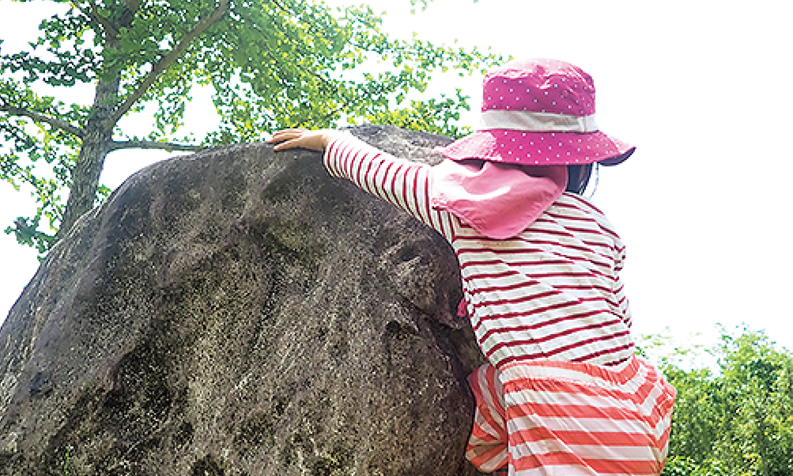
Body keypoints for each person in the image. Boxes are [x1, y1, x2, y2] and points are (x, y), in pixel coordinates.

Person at [269, 58, 676, 476]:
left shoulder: (467, 207)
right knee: (488, 388)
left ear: (491, 150)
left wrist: (332, 141)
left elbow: (384, 173)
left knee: (491, 406)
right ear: (582, 161)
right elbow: (618, 314)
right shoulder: (597, 225)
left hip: (559, 410)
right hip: (635, 400)